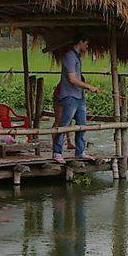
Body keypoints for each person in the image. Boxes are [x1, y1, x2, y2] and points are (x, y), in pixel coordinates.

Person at [52, 36, 99, 164]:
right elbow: (72, 79)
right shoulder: (69, 57)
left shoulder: (77, 57)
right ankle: (57, 152)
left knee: (82, 125)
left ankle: (80, 152)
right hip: (70, 96)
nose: (87, 47)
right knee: (64, 124)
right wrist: (89, 86)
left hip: (79, 96)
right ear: (80, 42)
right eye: (86, 44)